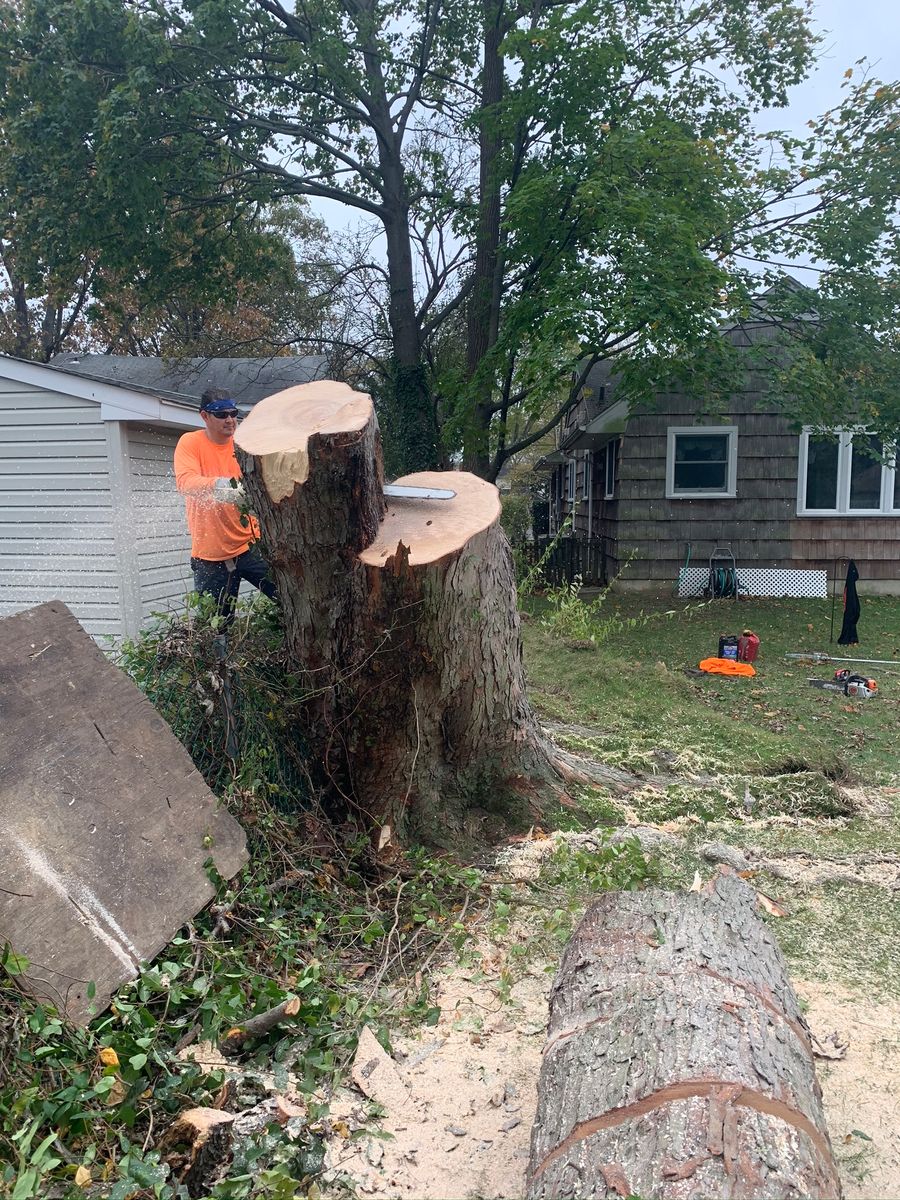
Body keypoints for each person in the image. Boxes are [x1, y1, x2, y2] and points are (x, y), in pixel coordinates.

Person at [174, 388, 277, 623]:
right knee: (216, 624)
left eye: (233, 413)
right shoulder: (190, 443)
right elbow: (185, 482)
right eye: (221, 414)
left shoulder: (244, 446)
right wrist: (223, 486)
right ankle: (219, 659)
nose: (230, 419)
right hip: (210, 556)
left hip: (250, 546)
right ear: (205, 416)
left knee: (287, 597)